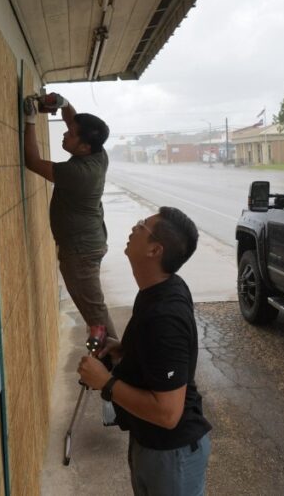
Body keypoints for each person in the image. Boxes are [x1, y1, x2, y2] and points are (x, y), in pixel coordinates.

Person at [78, 206, 212, 496]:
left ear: (155, 250)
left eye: (142, 226)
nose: (133, 227)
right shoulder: (157, 289)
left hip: (171, 454)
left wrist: (106, 382)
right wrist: (122, 351)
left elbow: (168, 414)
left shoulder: (165, 317)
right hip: (150, 443)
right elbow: (153, 355)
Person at [22, 93, 117, 339]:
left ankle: (114, 363)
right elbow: (73, 120)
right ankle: (110, 360)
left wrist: (30, 120)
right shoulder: (98, 153)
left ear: (84, 146)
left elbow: (32, 162)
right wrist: (63, 104)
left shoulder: (78, 172)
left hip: (80, 254)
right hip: (87, 246)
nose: (65, 133)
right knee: (95, 314)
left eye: (71, 134)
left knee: (96, 317)